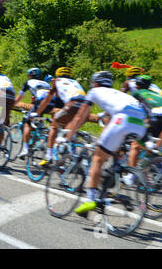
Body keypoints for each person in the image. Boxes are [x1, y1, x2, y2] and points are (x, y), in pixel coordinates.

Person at [61, 71, 147, 215]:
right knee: (113, 154)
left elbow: (80, 117)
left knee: (97, 158)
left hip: (123, 120)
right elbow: (110, 117)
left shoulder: (94, 91)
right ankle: (114, 176)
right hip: (141, 124)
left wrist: (68, 136)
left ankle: (90, 200)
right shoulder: (118, 94)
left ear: (95, 83)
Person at [35, 67, 86, 166]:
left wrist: (37, 113)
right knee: (70, 131)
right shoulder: (75, 82)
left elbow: (47, 99)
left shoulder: (56, 81)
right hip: (85, 108)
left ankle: (48, 157)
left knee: (54, 126)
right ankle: (74, 155)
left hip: (72, 104)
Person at [14, 68, 59, 158]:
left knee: (27, 123)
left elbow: (20, 96)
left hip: (42, 101)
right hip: (52, 102)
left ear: (30, 76)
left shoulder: (29, 82)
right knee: (38, 117)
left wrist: (13, 104)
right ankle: (40, 131)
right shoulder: (46, 83)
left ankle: (25, 149)